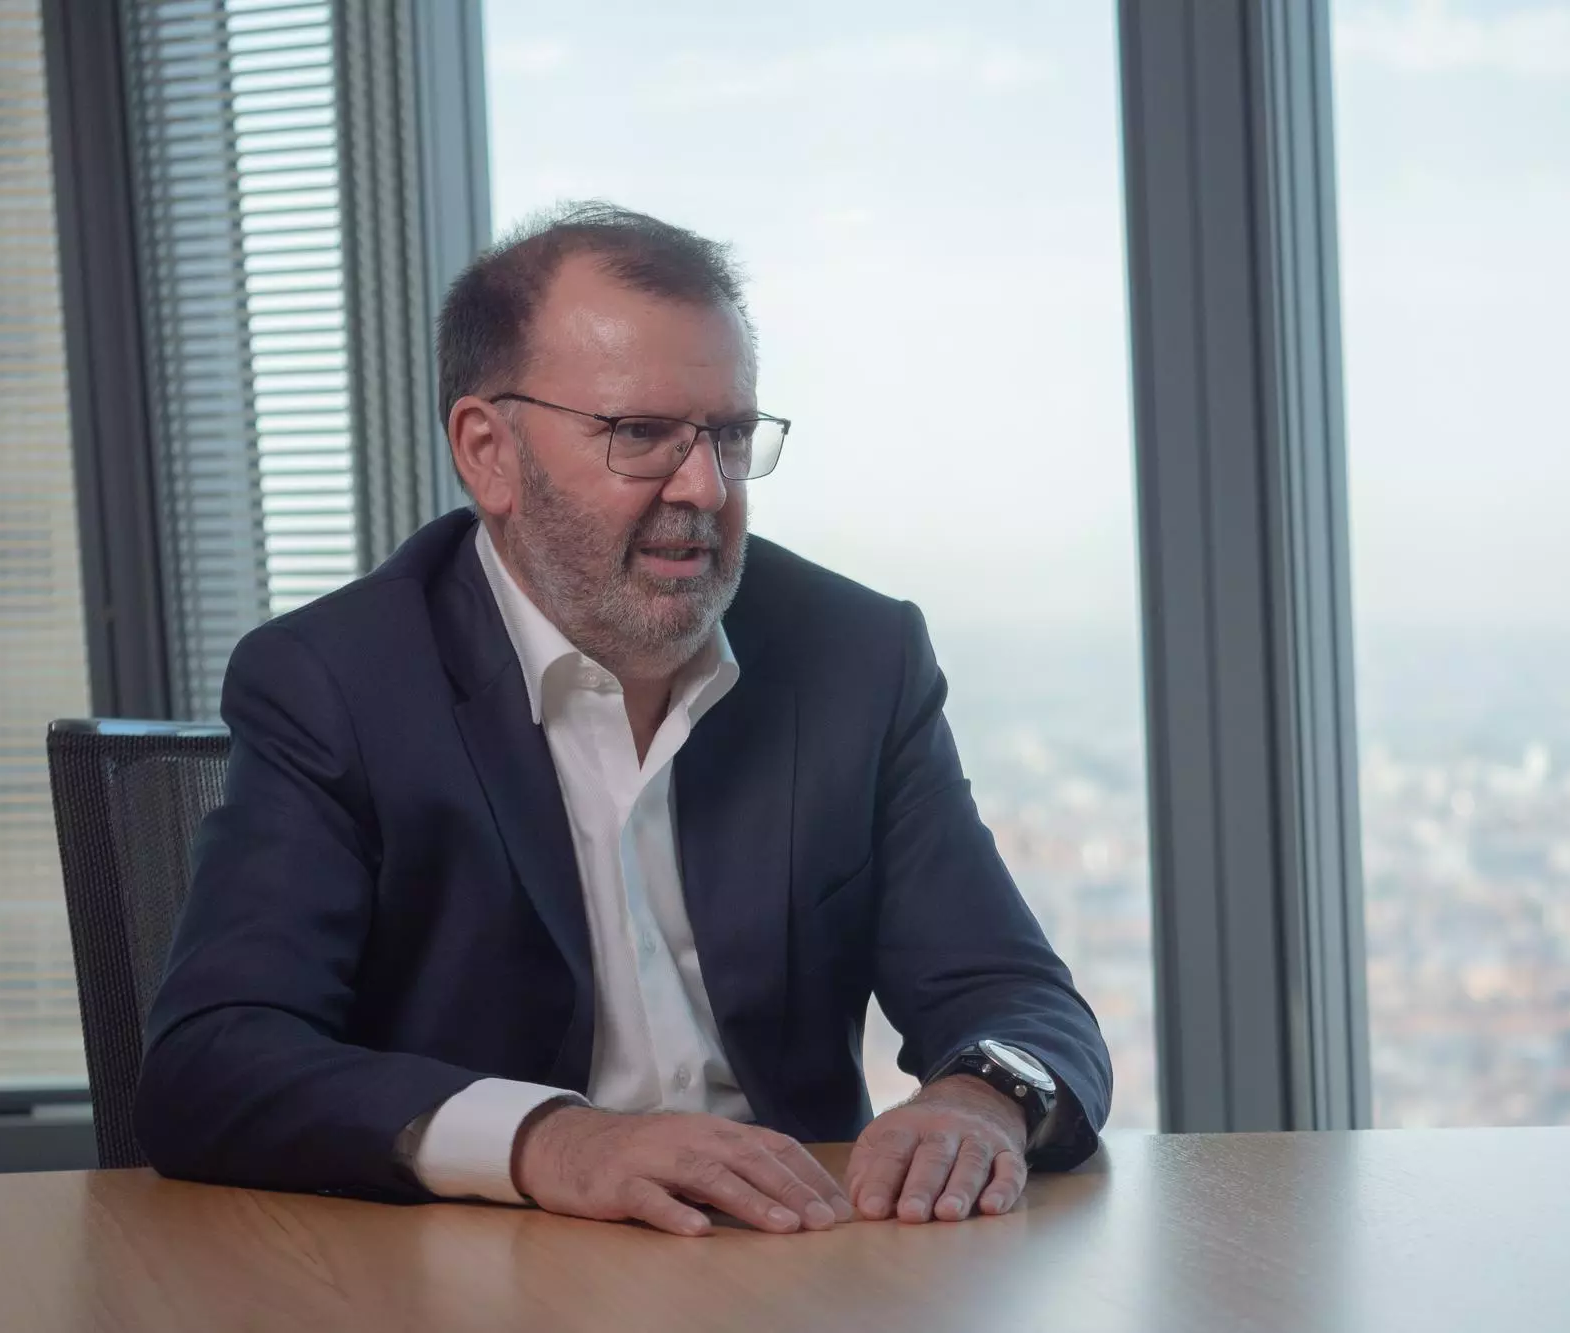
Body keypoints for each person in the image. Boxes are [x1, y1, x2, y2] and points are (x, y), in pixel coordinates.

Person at [136, 202, 1111, 1237]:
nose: (705, 487)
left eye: (728, 436)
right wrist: (553, 1140)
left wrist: (981, 1099)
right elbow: (213, 1061)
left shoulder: (855, 656)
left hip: (795, 1256)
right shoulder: (336, 680)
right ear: (488, 452)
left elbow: (1016, 998)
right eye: (639, 435)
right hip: (490, 1260)